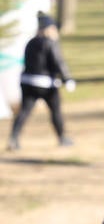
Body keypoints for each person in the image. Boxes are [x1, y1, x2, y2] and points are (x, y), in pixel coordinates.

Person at [8, 14, 74, 150]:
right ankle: (62, 138)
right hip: (46, 83)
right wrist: (67, 78)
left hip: (27, 81)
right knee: (55, 111)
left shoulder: (30, 42)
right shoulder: (50, 43)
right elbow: (58, 61)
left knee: (24, 111)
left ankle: (13, 138)